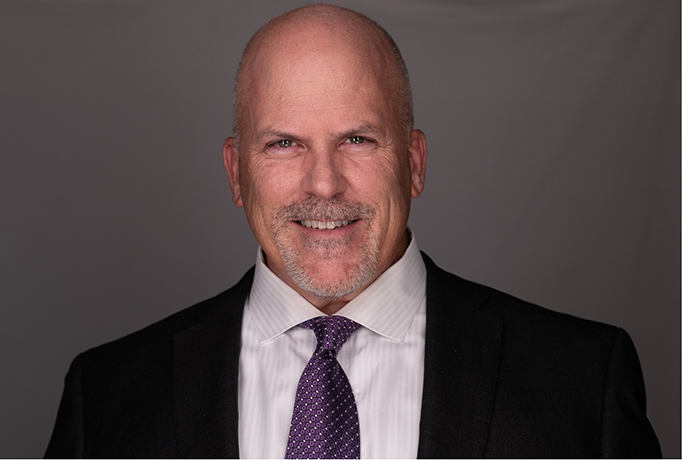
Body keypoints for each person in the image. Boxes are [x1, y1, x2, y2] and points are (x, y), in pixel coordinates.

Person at [45, 4, 661, 458]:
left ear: (414, 163)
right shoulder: (105, 397)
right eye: (284, 143)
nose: (323, 184)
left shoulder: (581, 382)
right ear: (237, 174)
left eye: (358, 140)